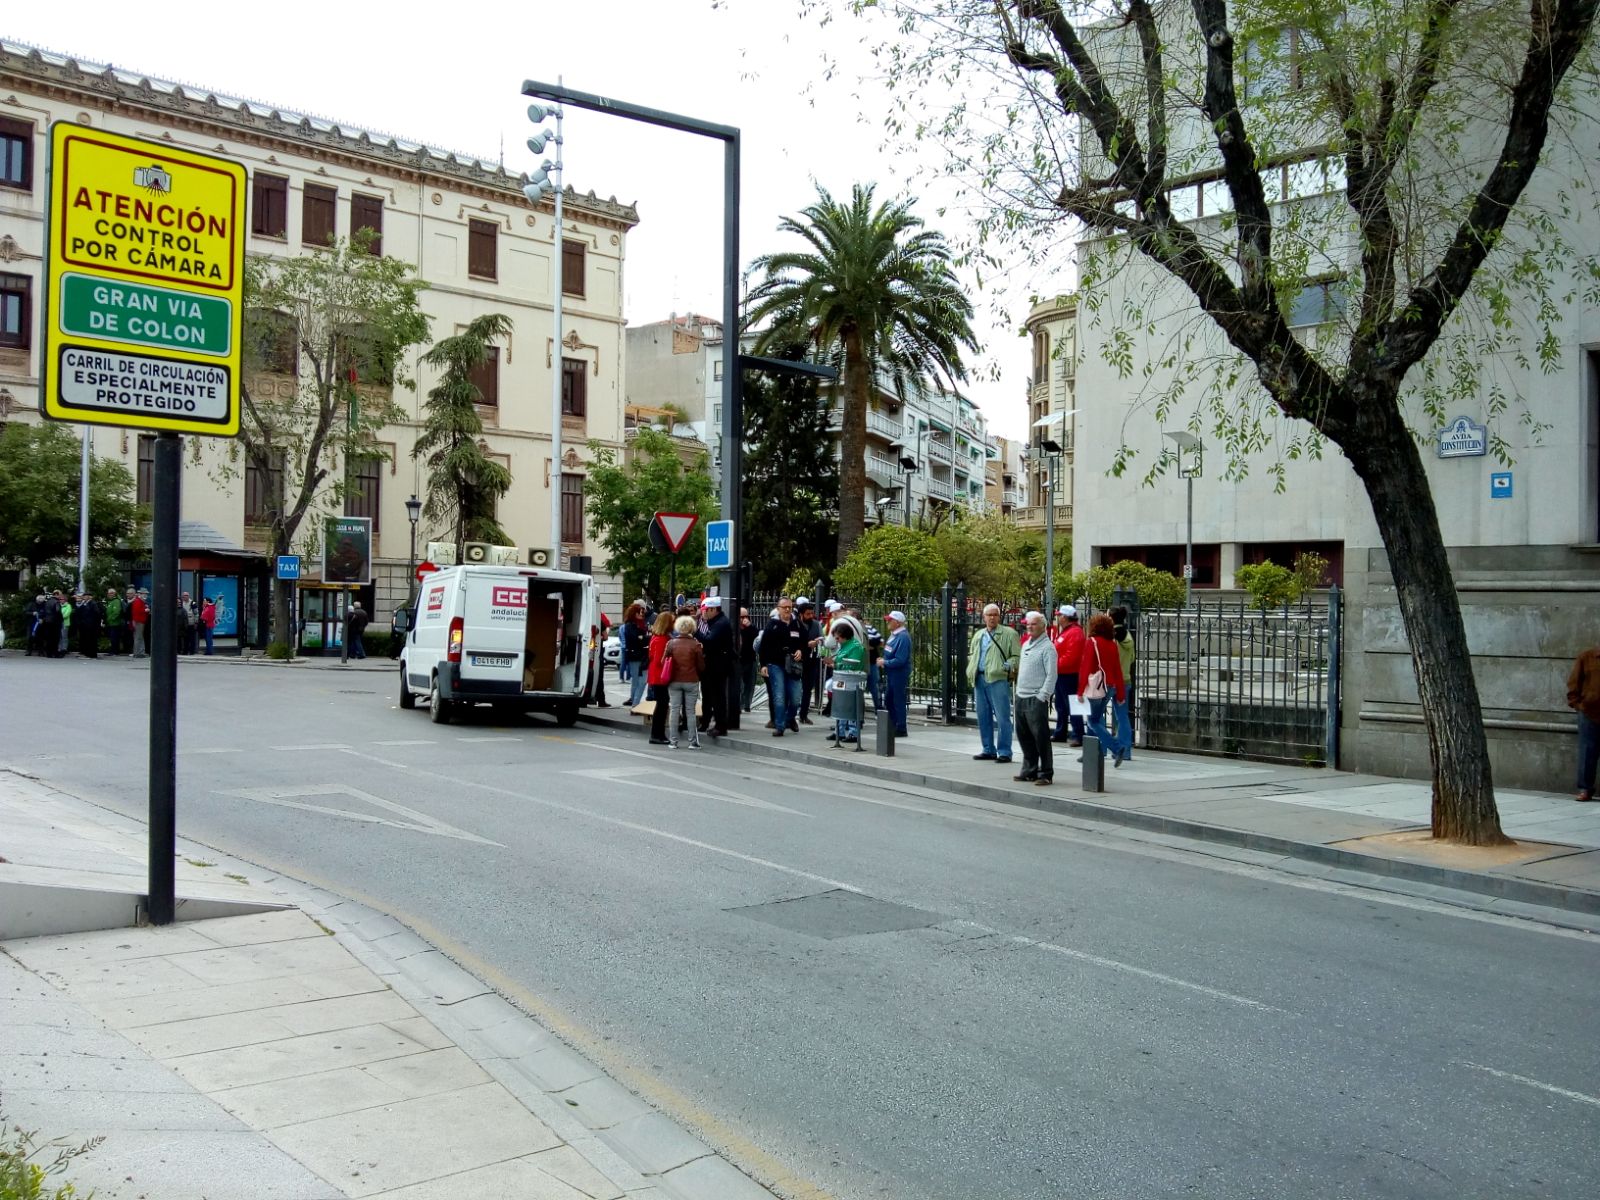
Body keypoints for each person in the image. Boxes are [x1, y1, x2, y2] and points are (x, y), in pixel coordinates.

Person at [968, 603, 1020, 764]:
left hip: (997, 679)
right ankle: (988, 749)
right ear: (983, 617)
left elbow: (1016, 656)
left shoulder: (1009, 634)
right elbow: (972, 653)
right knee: (983, 716)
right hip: (979, 678)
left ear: (999, 617)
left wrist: (1006, 666)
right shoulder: (979, 635)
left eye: (995, 615)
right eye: (989, 615)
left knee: (1002, 716)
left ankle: (1004, 751)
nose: (992, 618)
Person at [1079, 612, 1130, 767]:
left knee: (1093, 721)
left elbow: (1086, 667)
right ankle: (1112, 748)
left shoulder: (1091, 642)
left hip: (1096, 686)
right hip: (1110, 686)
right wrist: (1120, 693)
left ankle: (1115, 747)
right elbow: (1117, 670)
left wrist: (1080, 690)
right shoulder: (1112, 644)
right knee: (1096, 719)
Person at [1013, 611, 1058, 785]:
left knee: (1040, 736)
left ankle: (1046, 773)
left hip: (1035, 698)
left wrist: (1042, 696)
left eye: (1033, 624)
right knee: (1024, 735)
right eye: (1028, 624)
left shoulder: (1048, 648)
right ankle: (1029, 769)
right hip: (1021, 696)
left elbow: (1052, 675)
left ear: (1042, 626)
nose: (1029, 627)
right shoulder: (1026, 644)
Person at [759, 597, 805, 736]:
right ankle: (779, 726)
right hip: (776, 664)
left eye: (789, 607)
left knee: (796, 697)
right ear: (778, 608)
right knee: (779, 696)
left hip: (793, 665)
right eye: (784, 607)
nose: (787, 609)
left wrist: (801, 650)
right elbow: (764, 647)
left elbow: (804, 641)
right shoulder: (772, 624)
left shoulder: (797, 624)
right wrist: (763, 665)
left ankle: (788, 719)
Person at [663, 615, 706, 749]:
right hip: (691, 680)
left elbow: (662, 662)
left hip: (674, 680)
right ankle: (692, 741)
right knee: (690, 711)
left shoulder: (671, 643)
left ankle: (673, 741)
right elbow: (701, 666)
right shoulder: (696, 644)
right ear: (692, 628)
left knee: (675, 710)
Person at [1567, 642, 1600, 802]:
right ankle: (1585, 789)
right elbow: (1574, 682)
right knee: (1587, 752)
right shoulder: (1586, 657)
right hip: (1589, 712)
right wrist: (1577, 705)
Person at [696, 596, 733, 737]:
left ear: (713, 609)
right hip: (711, 666)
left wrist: (696, 632)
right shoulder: (716, 622)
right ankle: (707, 722)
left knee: (717, 697)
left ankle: (720, 725)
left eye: (706, 610)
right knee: (709, 695)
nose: (704, 613)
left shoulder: (720, 624)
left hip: (717, 666)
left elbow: (710, 641)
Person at [1050, 606, 1086, 745]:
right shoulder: (1068, 632)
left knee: (1072, 705)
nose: (1058, 618)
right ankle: (1061, 731)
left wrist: (1055, 665)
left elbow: (1072, 656)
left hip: (1069, 674)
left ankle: (1078, 734)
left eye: (1060, 615)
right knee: (1061, 705)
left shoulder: (1075, 633)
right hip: (1062, 673)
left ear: (1065, 617)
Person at [828, 617, 868, 743]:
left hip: (852, 680)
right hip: (842, 677)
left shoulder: (855, 647)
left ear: (845, 636)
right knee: (841, 704)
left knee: (851, 705)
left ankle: (853, 732)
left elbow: (852, 664)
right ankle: (839, 731)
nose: (837, 640)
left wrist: (836, 664)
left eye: (838, 638)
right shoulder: (844, 646)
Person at [1109, 605, 1136, 761]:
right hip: (1125, 679)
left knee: (1096, 717)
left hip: (1110, 680)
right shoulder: (1129, 637)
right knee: (1122, 716)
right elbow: (1132, 658)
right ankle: (1125, 751)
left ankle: (1103, 748)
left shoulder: (1110, 636)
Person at [645, 610, 676, 745]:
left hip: (656, 675)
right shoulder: (662, 639)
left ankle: (658, 734)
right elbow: (659, 660)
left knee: (662, 705)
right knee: (662, 705)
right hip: (660, 676)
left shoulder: (656, 637)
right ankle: (657, 734)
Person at [880, 610, 912, 738]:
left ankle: (900, 727)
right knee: (890, 699)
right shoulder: (894, 635)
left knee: (897, 699)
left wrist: (885, 662)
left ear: (897, 623)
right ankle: (894, 724)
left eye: (890, 620)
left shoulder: (902, 637)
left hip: (899, 672)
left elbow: (900, 659)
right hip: (892, 672)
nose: (887, 622)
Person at [795, 598, 822, 724]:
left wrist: (818, 642)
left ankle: (803, 714)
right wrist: (807, 644)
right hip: (797, 660)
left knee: (807, 689)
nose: (810, 616)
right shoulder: (795, 624)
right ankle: (791, 713)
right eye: (807, 614)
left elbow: (822, 639)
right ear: (801, 614)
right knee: (794, 688)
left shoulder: (816, 625)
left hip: (812, 660)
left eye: (812, 614)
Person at [622, 602, 651, 708]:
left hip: (637, 654)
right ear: (634, 613)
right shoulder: (632, 626)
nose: (642, 615)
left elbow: (640, 638)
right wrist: (646, 638)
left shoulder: (634, 625)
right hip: (637, 654)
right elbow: (637, 639)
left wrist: (643, 638)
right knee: (641, 681)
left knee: (636, 681)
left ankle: (634, 703)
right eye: (640, 613)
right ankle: (635, 703)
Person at [737, 607, 759, 712]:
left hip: (750, 658)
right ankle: (739, 704)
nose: (744, 619)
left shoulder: (751, 628)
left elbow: (757, 636)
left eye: (746, 616)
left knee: (750, 684)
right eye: (742, 617)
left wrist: (749, 626)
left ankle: (747, 705)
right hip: (739, 659)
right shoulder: (735, 628)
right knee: (740, 684)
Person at [75, 592, 101, 658]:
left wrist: (93, 622)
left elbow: (97, 613)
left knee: (92, 640)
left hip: (91, 625)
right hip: (85, 625)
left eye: (85, 596)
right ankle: (87, 653)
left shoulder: (93, 603)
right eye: (84, 596)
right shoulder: (85, 603)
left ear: (89, 596)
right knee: (87, 640)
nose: (84, 597)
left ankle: (92, 655)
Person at [103, 587, 125, 655]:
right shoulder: (110, 601)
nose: (109, 594)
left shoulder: (116, 601)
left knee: (114, 638)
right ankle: (113, 650)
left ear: (114, 593)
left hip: (115, 623)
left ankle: (115, 651)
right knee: (112, 638)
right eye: (109, 593)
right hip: (110, 623)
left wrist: (109, 619)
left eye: (111, 593)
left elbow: (116, 612)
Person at [130, 588, 149, 658]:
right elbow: (137, 612)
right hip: (138, 622)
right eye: (144, 594)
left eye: (146, 594)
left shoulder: (140, 601)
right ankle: (138, 652)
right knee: (138, 637)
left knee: (139, 637)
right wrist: (145, 610)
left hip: (139, 621)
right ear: (140, 594)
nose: (146, 595)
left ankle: (139, 652)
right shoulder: (138, 601)